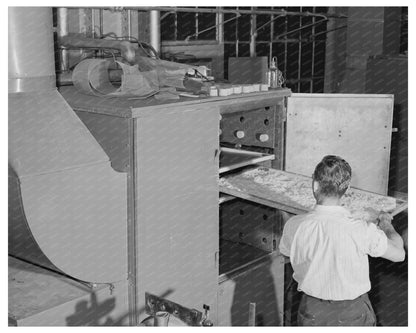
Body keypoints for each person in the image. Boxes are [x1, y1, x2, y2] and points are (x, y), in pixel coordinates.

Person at [279, 155, 405, 326]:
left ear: (315, 184)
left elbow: (288, 253)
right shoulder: (360, 229)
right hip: (352, 312)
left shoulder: (294, 225)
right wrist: (385, 223)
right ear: (347, 188)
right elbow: (399, 255)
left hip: (312, 310)